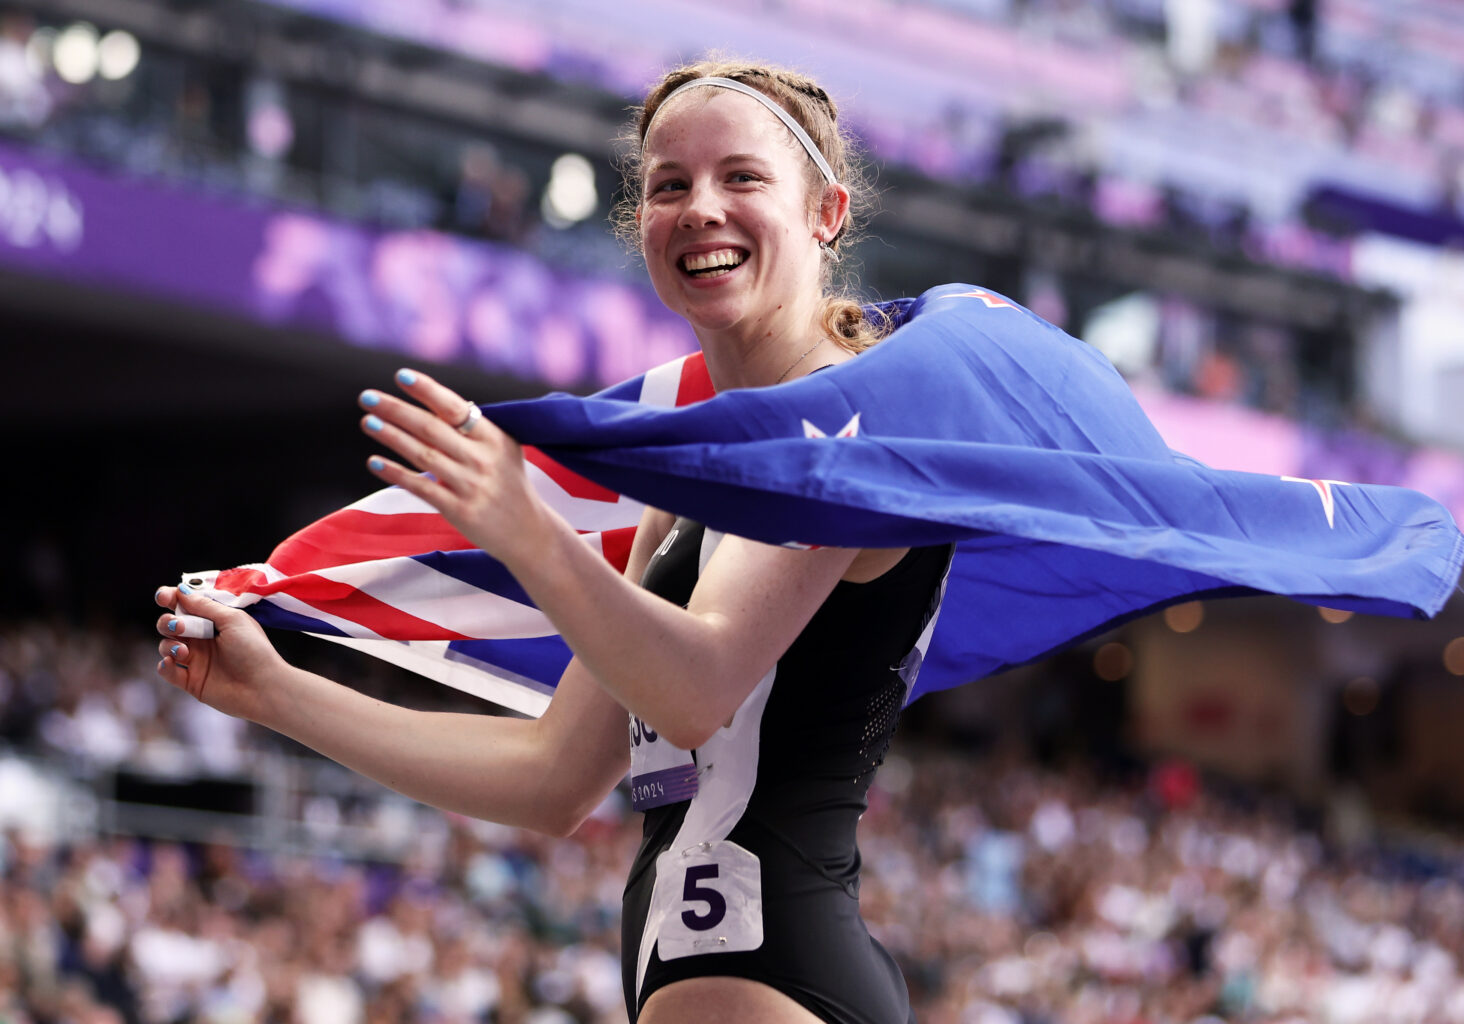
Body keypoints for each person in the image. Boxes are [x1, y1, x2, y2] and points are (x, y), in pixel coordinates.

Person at [155, 60, 949, 1024]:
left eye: (742, 179)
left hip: (778, 974)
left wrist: (525, 530)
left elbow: (697, 693)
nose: (701, 208)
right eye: (669, 185)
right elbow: (551, 781)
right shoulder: (695, 464)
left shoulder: (846, 427)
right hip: (722, 974)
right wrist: (275, 692)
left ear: (826, 211)